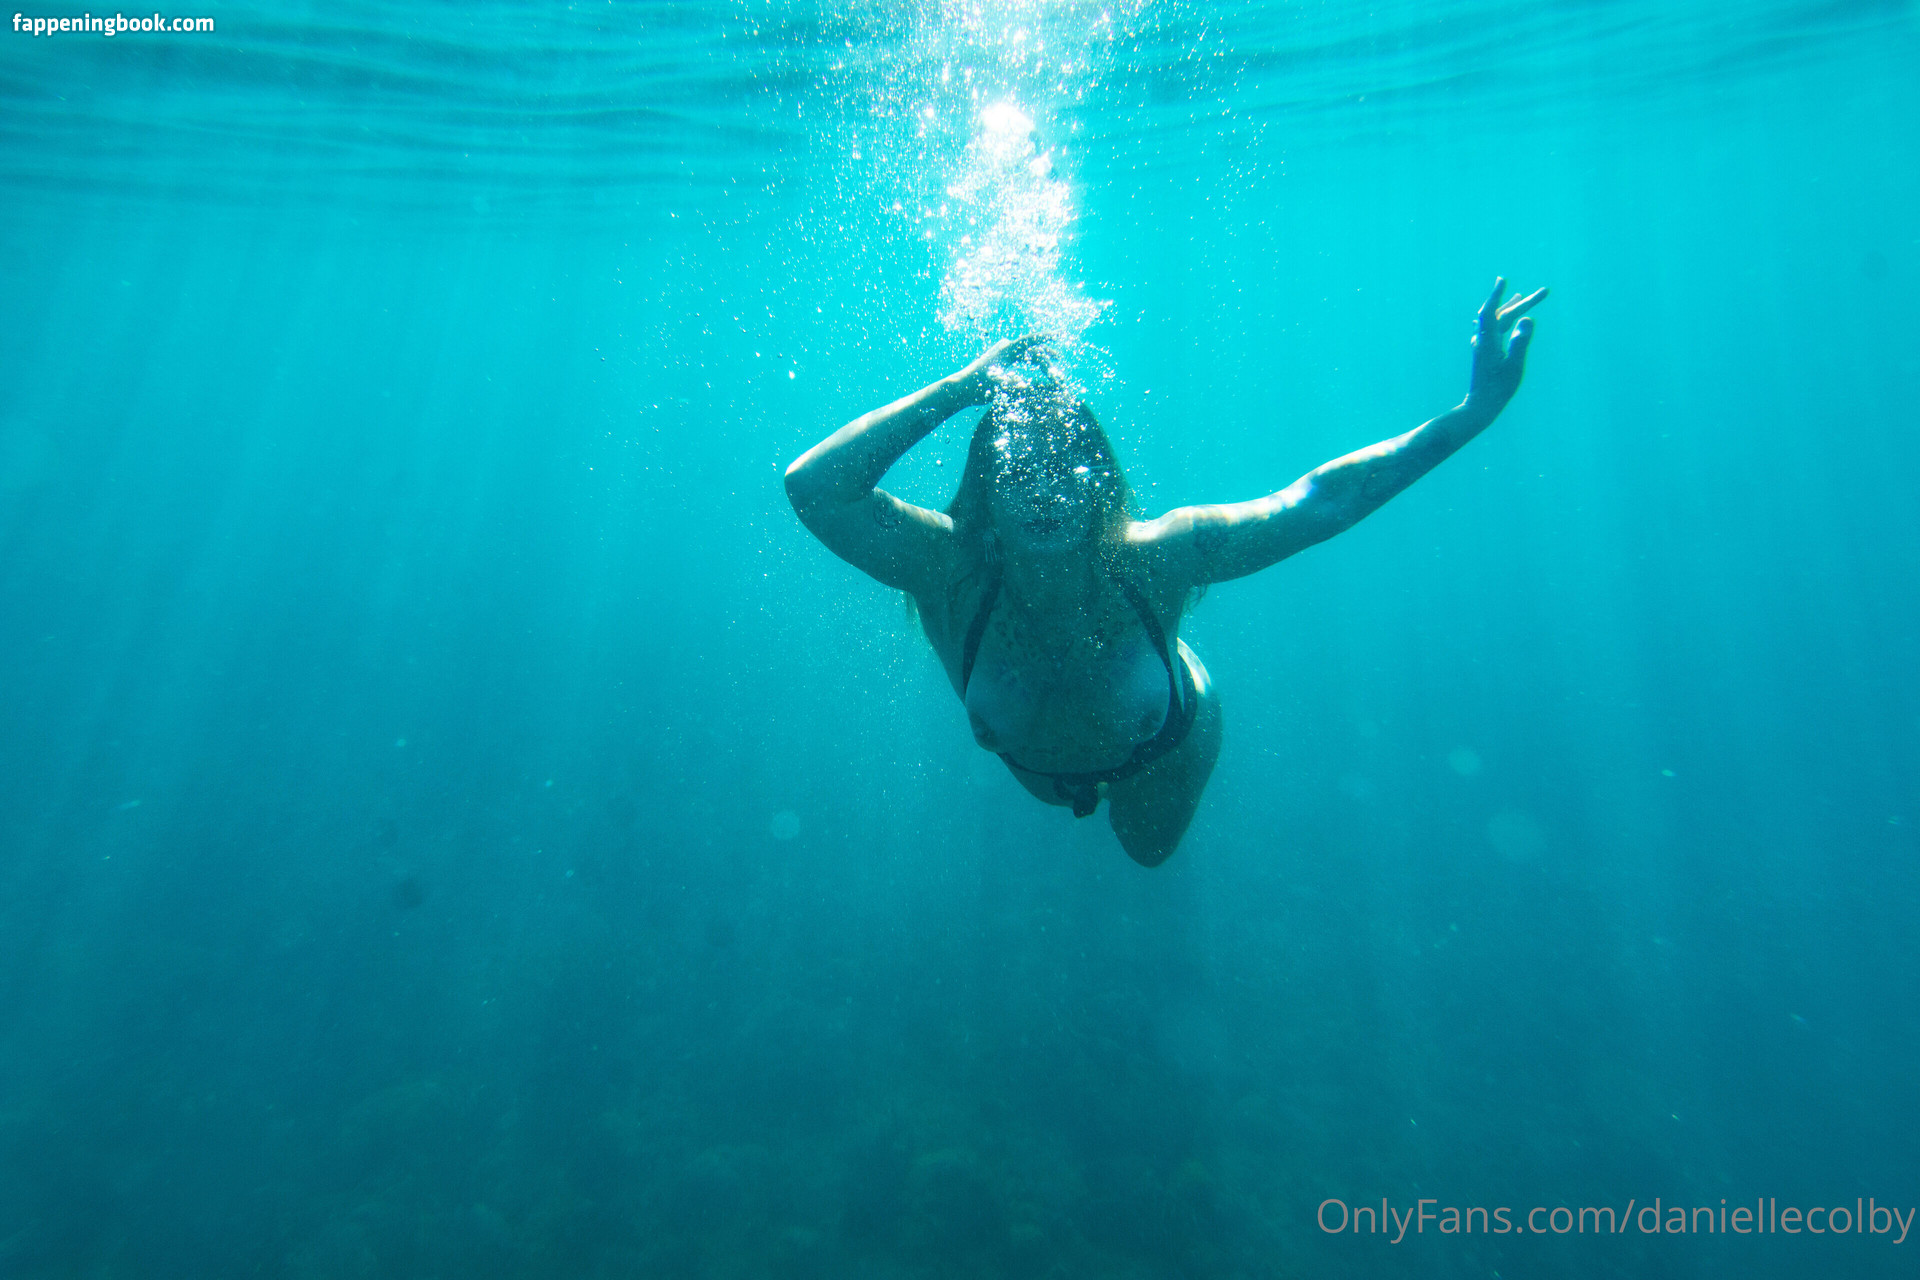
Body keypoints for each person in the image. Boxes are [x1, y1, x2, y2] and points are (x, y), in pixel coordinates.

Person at [785, 279, 1547, 867]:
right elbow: (812, 487)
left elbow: (1321, 501)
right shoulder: (947, 567)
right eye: (1020, 471)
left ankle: (1176, 662)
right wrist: (962, 389)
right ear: (986, 492)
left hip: (1166, 747)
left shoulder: (1159, 556)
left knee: (1145, 851)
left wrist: (1472, 412)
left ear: (1101, 483)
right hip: (1041, 769)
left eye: (1066, 467)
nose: (1045, 490)